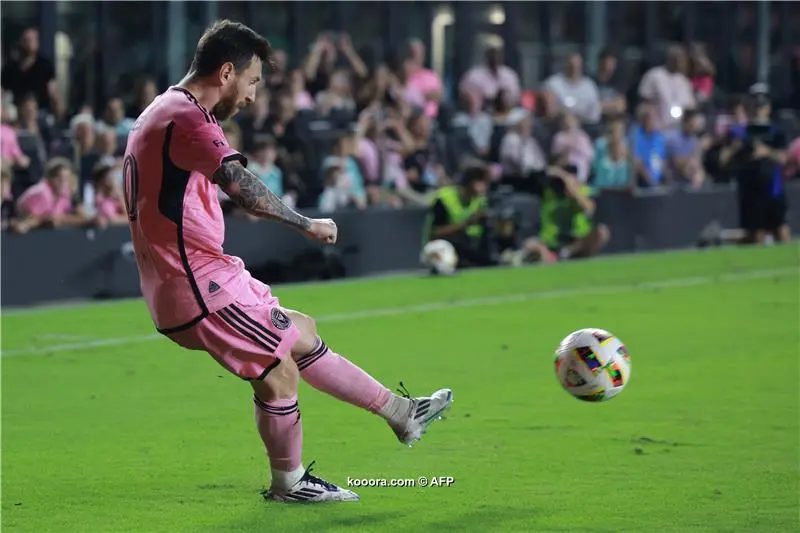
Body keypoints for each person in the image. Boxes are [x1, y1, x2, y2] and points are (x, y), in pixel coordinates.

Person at [122, 20, 453, 504]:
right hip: (195, 283)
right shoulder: (187, 117)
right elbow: (241, 187)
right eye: (253, 81)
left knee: (301, 332)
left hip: (203, 273)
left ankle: (402, 413)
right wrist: (305, 223)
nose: (253, 96)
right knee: (277, 370)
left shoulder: (164, 110)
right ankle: (290, 482)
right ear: (227, 71)